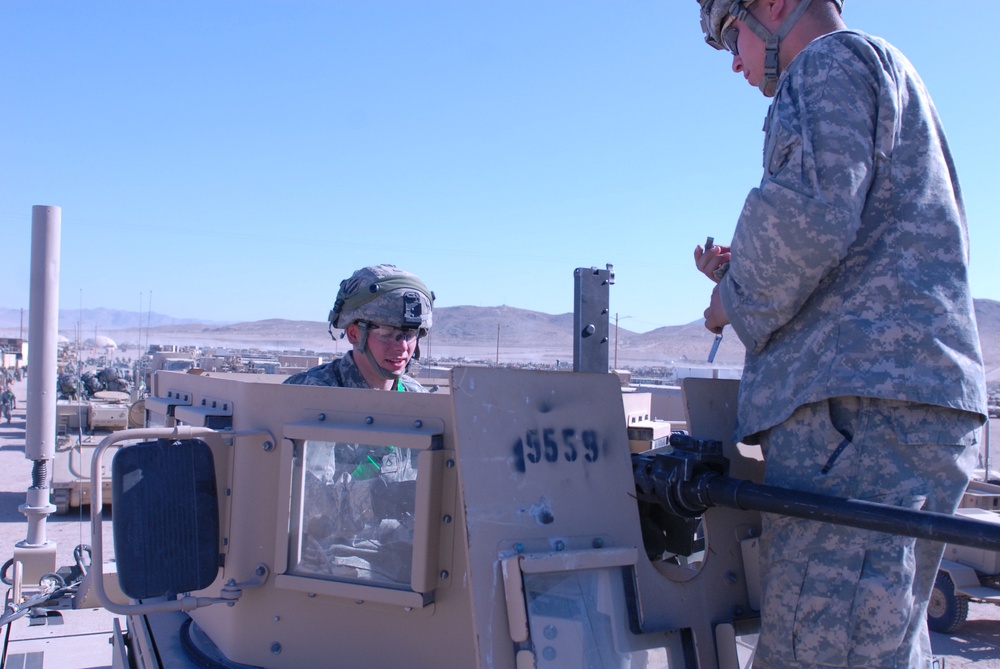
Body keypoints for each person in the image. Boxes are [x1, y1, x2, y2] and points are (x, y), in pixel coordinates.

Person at [692, 1, 987, 667]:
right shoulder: (888, 69)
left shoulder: (823, 64)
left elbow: (807, 218)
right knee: (880, 643)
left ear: (769, 5)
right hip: (905, 408)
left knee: (819, 650)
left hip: (856, 420)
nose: (734, 60)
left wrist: (725, 303)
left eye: (727, 35)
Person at [284, 263, 433, 392]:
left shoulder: (418, 399)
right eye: (386, 332)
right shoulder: (307, 391)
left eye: (411, 333)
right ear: (354, 334)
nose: (402, 346)